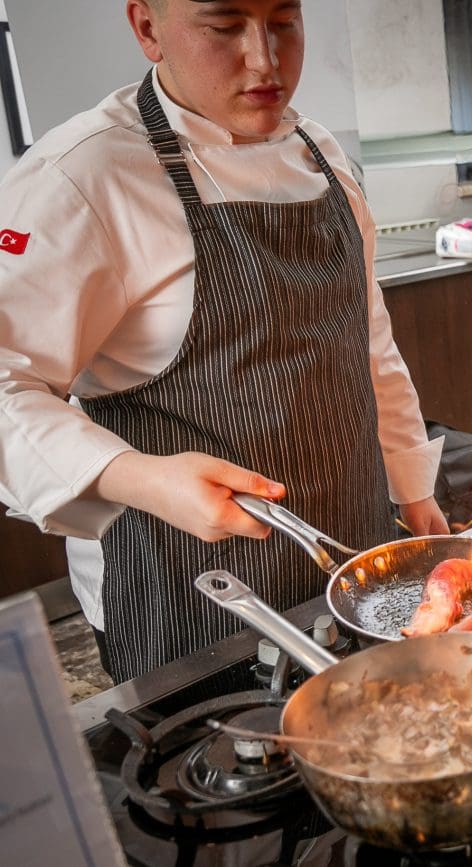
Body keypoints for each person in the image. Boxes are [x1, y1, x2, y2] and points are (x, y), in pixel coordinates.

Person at [0, 0, 449, 683]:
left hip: (351, 553)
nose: (265, 60)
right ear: (147, 28)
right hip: (185, 594)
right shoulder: (81, 177)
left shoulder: (323, 155)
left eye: (284, 21)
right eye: (224, 26)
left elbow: (369, 342)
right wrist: (144, 478)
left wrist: (413, 490)